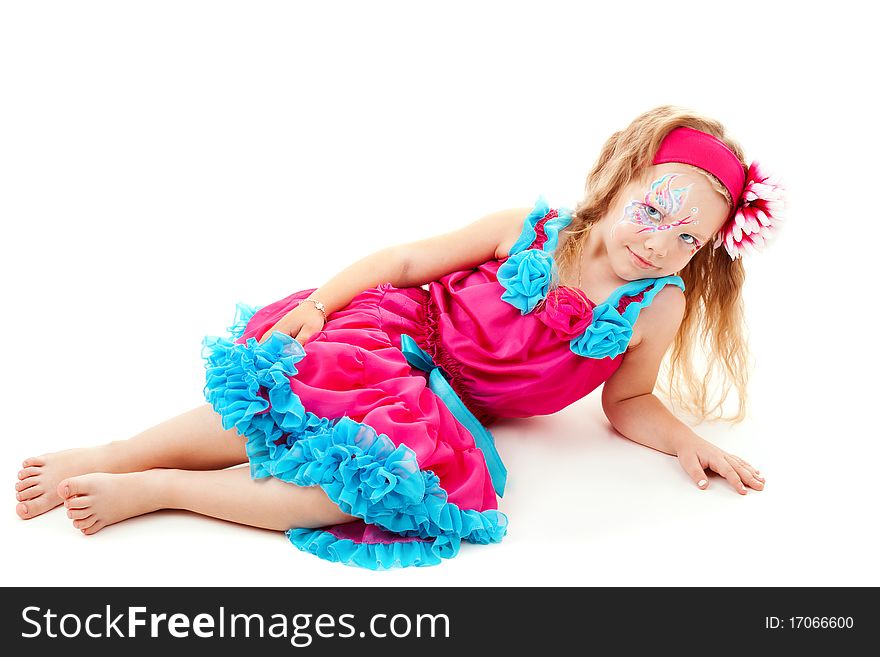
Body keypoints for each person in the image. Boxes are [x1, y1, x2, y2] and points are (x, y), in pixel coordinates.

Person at [14, 105, 785, 569]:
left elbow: (630, 398)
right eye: (653, 211)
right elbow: (409, 260)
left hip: (442, 403)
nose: (657, 243)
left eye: (686, 238)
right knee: (287, 399)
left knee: (354, 487)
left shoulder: (656, 308)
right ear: (620, 181)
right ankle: (114, 454)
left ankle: (162, 491)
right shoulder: (531, 232)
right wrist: (322, 303)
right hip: (401, 332)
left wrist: (686, 439)